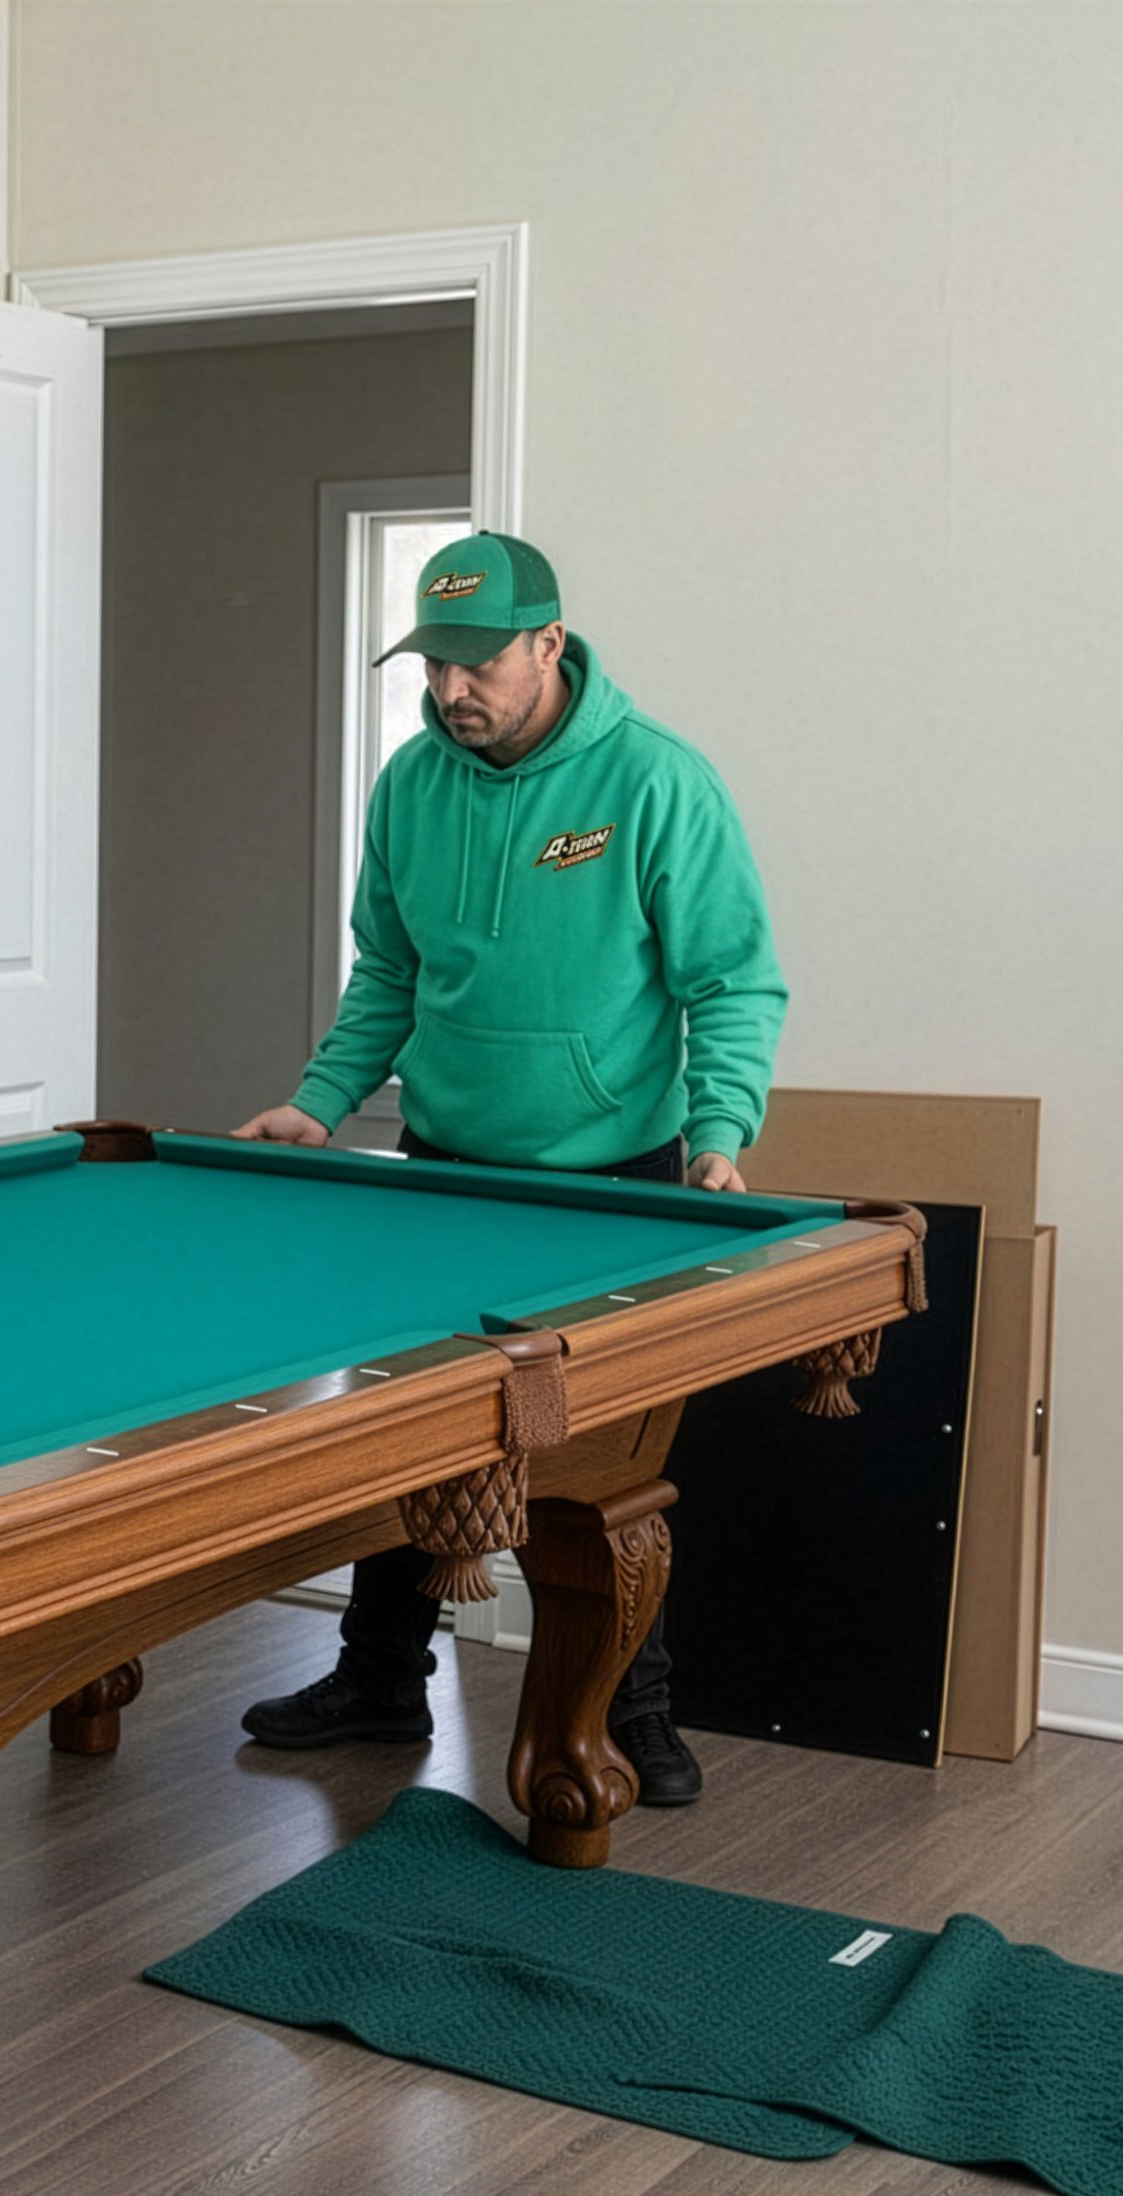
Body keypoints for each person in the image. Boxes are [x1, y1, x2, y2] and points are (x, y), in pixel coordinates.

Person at [234, 531, 785, 1809]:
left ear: (549, 642)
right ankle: (379, 1676)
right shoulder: (411, 785)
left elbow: (730, 980)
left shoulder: (656, 783)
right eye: (432, 663)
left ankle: (632, 1710)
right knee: (408, 1429)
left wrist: (720, 1135)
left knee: (602, 1459)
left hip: (618, 1178)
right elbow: (388, 969)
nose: (450, 691)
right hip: (441, 1173)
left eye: (477, 662)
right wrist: (322, 1104)